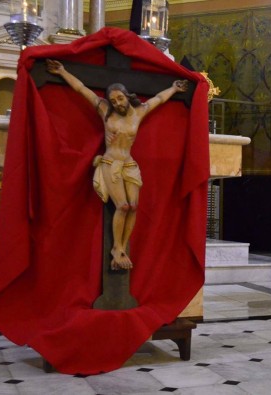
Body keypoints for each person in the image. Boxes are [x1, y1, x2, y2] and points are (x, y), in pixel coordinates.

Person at [46, 59, 188, 270]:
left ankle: (122, 247)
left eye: (120, 99)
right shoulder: (105, 110)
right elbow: (82, 89)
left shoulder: (139, 112)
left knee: (134, 206)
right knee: (122, 206)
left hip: (129, 164)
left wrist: (174, 89)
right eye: (113, 101)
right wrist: (63, 72)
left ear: (127, 96)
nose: (118, 103)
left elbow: (159, 99)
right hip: (110, 162)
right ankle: (118, 248)